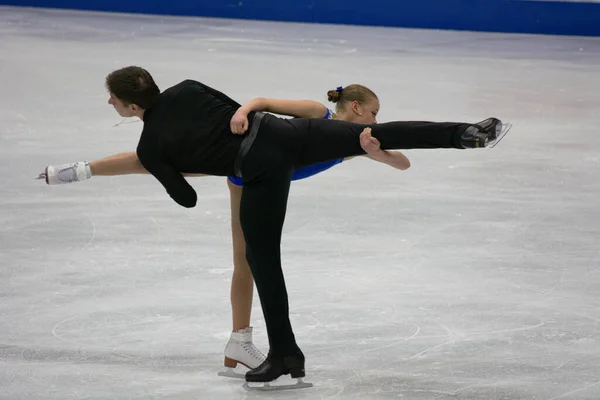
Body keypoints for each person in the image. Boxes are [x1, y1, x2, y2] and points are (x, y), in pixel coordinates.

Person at [42, 65, 504, 388]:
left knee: (260, 261)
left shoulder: (150, 146)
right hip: (282, 140)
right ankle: (465, 134)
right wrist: (238, 118)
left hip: (255, 169)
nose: (109, 103)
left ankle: (281, 354)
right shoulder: (187, 88)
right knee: (256, 256)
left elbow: (185, 196)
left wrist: (168, 162)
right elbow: (232, 108)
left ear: (126, 104)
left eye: (113, 99)